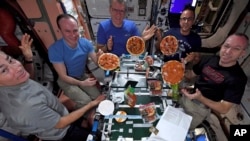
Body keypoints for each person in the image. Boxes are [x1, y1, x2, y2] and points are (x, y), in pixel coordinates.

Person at [0, 50, 106, 140]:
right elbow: (61, 123)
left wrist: (28, 59)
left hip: (60, 113)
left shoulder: (11, 83)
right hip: (62, 133)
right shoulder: (25, 107)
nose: (18, 67)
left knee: (85, 122)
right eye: (4, 70)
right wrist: (93, 103)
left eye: (10, 60)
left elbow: (28, 80)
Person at [180, 33, 249, 130]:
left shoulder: (238, 78)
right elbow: (190, 75)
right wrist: (180, 69)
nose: (228, 51)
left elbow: (224, 108)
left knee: (180, 130)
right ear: (222, 46)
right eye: (227, 46)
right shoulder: (210, 59)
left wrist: (200, 98)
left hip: (200, 109)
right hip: (186, 97)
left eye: (236, 49)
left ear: (242, 53)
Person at [48, 14, 103, 110]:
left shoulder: (85, 43)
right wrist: (82, 84)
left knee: (98, 97)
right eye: (67, 31)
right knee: (86, 101)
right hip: (66, 81)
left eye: (75, 30)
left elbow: (98, 63)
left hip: (82, 76)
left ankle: (89, 111)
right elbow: (63, 76)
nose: (73, 35)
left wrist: (101, 58)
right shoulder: (55, 49)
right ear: (60, 31)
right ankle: (82, 119)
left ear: (78, 28)